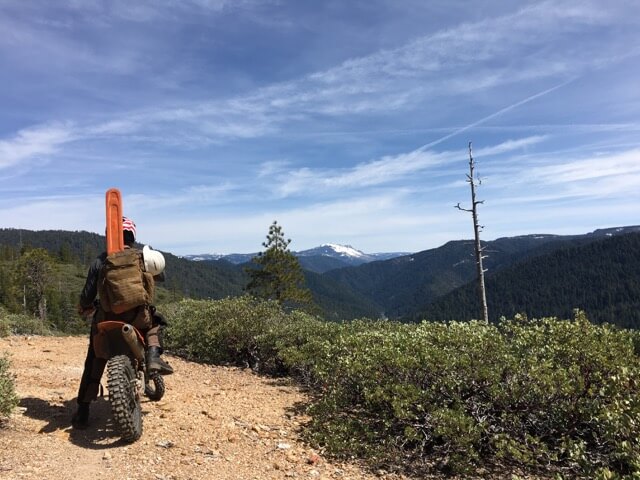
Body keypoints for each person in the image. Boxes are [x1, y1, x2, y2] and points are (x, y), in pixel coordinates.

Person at [71, 217, 173, 429]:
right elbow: (161, 275)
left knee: (94, 358)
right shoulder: (141, 258)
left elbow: (87, 296)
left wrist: (85, 307)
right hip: (138, 319)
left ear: (110, 235)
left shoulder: (100, 261)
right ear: (133, 237)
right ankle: (153, 357)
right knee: (155, 324)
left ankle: (83, 409)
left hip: (106, 319)